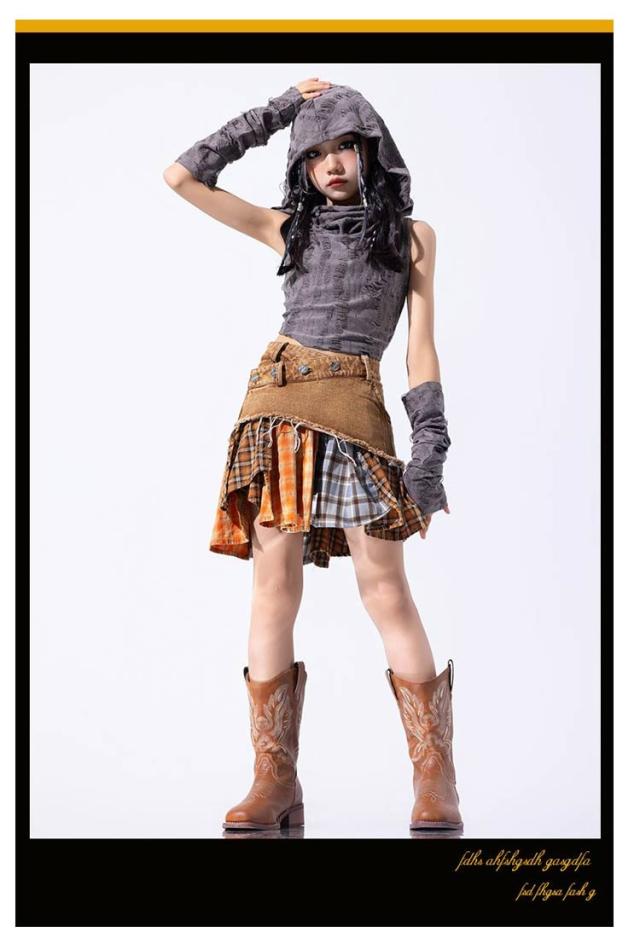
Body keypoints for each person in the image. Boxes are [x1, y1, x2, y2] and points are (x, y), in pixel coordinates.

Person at [164, 78, 463, 834]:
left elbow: (420, 350)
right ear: (301, 163)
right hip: (277, 409)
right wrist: (278, 110)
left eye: (345, 147)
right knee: (273, 590)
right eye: (316, 151)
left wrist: (429, 450)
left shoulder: (413, 238)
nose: (331, 163)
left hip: (357, 410)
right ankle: (274, 781)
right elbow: (183, 176)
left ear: (371, 152)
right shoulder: (288, 231)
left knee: (385, 589)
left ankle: (436, 781)